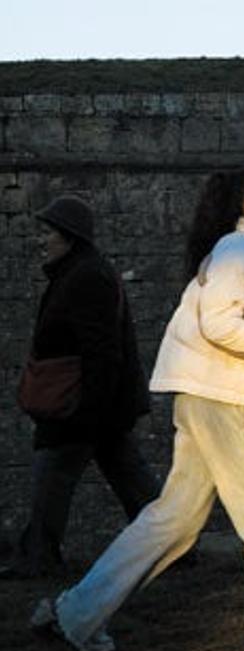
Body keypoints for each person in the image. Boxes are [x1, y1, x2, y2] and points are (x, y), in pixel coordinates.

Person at [30, 167, 244, 651]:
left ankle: (75, 616)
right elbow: (218, 325)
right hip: (222, 399)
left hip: (209, 395)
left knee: (174, 520)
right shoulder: (241, 252)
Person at [1, 195, 160, 580]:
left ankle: (38, 555)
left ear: (69, 237)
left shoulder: (85, 277)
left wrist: (86, 411)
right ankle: (168, 546)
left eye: (49, 233)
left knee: (52, 477)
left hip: (81, 406)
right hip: (96, 407)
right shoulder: (78, 272)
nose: (42, 240)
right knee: (130, 479)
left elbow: (102, 350)